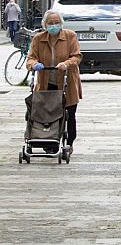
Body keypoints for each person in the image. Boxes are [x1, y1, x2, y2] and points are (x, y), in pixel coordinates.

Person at [26, 10, 82, 154]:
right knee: (46, 112)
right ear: (45, 24)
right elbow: (30, 58)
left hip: (66, 81)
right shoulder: (39, 39)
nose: (53, 25)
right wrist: (34, 65)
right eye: (50, 23)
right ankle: (48, 140)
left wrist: (67, 63)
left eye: (56, 22)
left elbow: (77, 56)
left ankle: (69, 142)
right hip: (46, 82)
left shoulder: (70, 36)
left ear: (61, 23)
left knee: (69, 112)